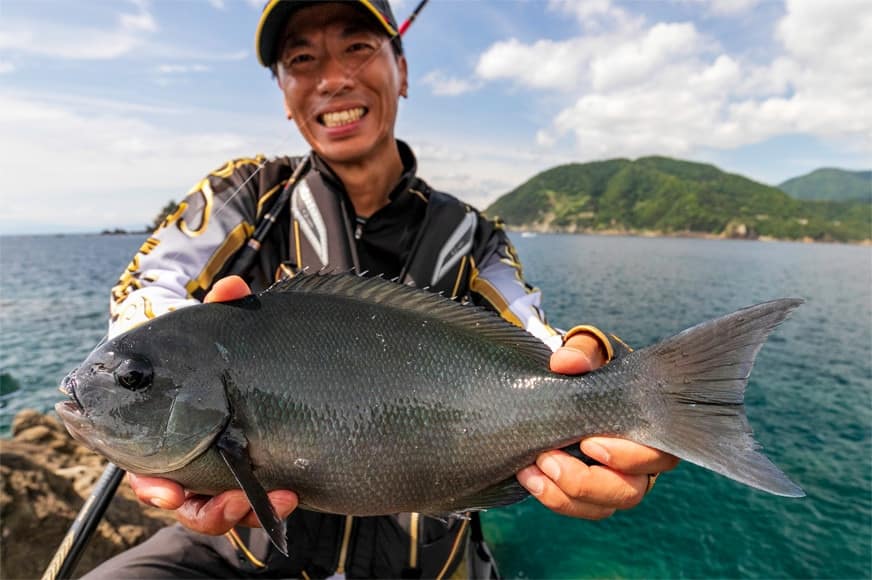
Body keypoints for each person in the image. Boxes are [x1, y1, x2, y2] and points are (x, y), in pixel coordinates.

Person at [87, 1, 678, 577]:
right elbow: (148, 285)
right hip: (246, 552)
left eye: (357, 48)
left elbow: (541, 343)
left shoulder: (474, 238)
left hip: (430, 563)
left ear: (403, 71)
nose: (333, 79)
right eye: (302, 60)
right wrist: (152, 380)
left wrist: (611, 381)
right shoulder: (243, 193)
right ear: (285, 95)